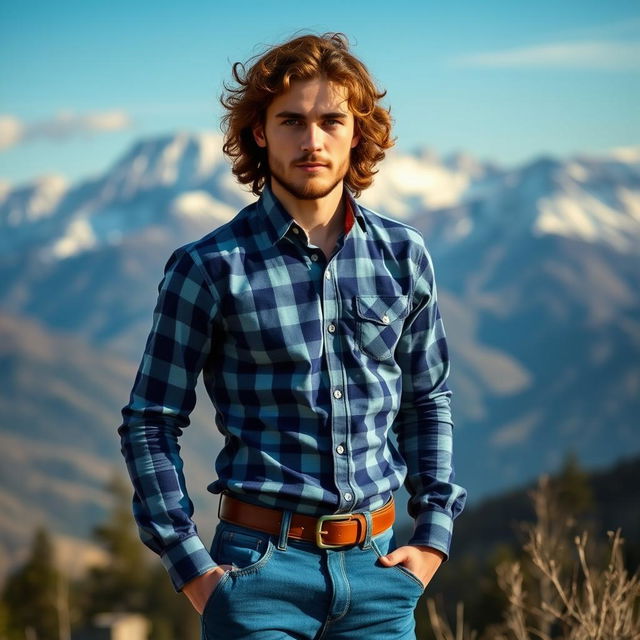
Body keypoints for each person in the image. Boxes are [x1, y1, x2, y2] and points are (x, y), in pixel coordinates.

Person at [118, 32, 466, 639]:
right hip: (257, 577)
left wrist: (432, 536)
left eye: (331, 120)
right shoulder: (209, 267)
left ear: (357, 131)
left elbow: (427, 400)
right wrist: (192, 567)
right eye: (291, 121)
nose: (312, 140)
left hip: (382, 576)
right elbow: (150, 418)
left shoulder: (404, 255)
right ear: (260, 131)